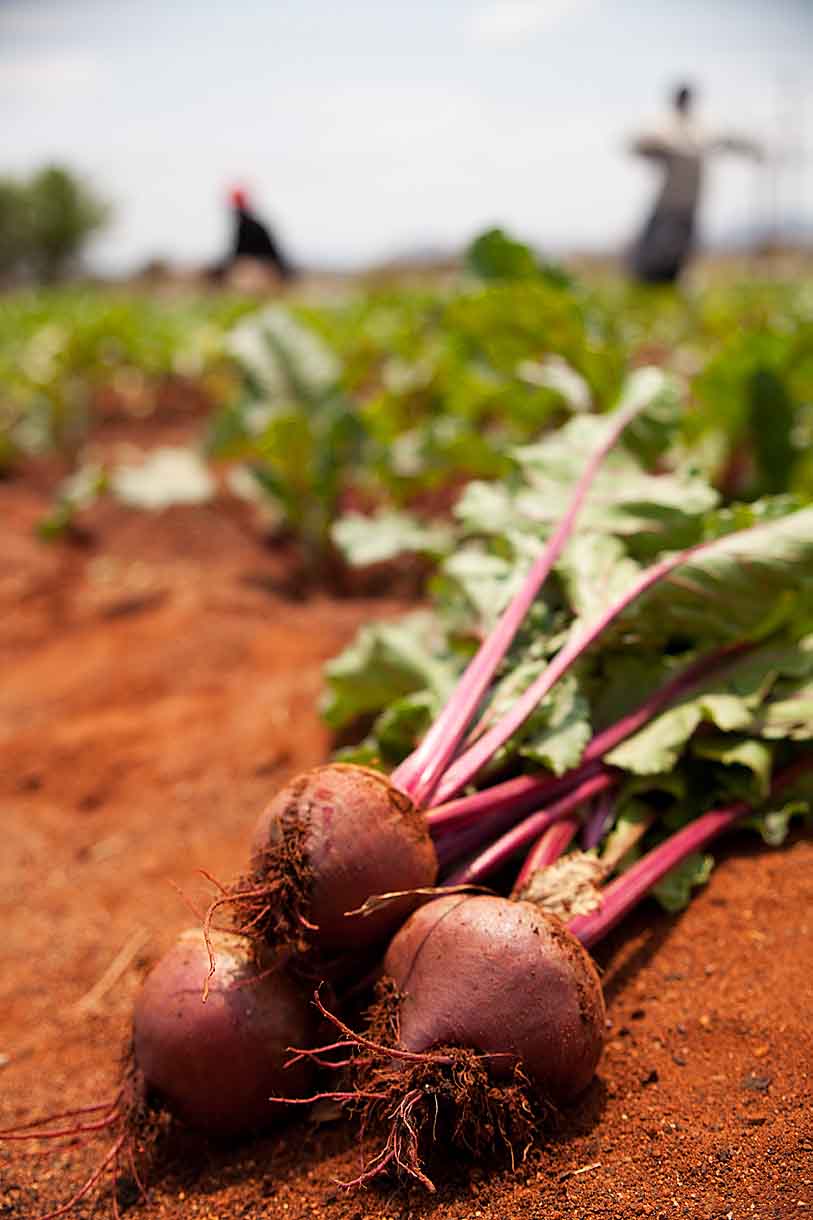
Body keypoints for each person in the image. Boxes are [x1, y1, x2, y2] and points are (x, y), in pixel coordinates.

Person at [628, 83, 762, 284]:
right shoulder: (665, 126)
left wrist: (753, 150)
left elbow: (729, 140)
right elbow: (640, 143)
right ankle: (648, 281)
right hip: (668, 202)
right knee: (654, 249)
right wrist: (659, 147)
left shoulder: (702, 128)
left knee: (683, 249)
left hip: (691, 202)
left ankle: (672, 281)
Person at [218, 186, 295, 283]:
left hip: (266, 267)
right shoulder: (249, 223)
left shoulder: (247, 225)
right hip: (269, 265)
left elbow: (239, 253)